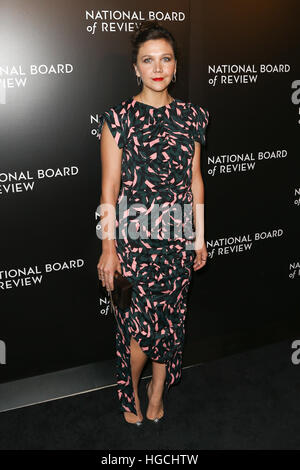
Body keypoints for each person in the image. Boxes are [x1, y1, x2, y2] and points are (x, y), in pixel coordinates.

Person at [96, 20, 209, 426]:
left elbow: (195, 182)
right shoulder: (118, 119)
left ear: (176, 66)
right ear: (136, 68)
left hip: (178, 240)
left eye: (166, 59)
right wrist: (109, 248)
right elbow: (109, 190)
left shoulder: (193, 117)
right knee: (141, 327)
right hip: (135, 242)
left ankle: (157, 393)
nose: (157, 68)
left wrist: (198, 238)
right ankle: (130, 388)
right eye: (148, 60)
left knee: (170, 322)